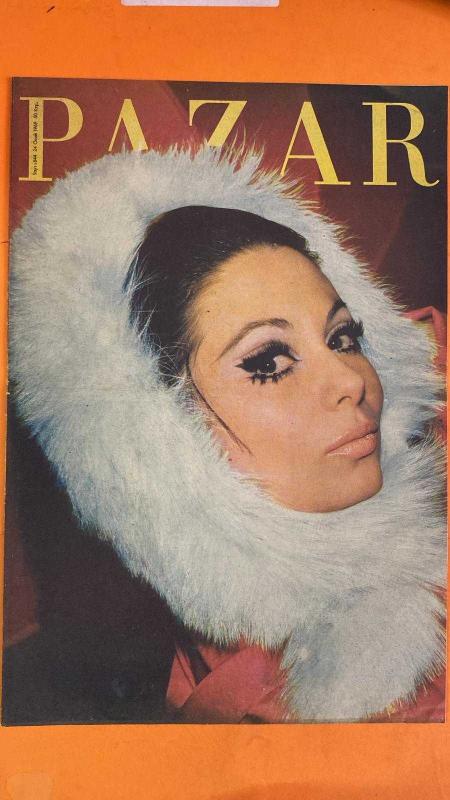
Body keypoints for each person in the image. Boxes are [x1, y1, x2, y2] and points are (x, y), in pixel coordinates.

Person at [9, 146, 446, 723]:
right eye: (269, 362)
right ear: (163, 436)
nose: (351, 380)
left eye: (343, 338)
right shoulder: (232, 703)